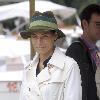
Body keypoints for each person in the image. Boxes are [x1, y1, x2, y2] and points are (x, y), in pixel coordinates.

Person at [19, 11, 82, 100]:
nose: (39, 42)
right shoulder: (27, 68)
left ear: (55, 36)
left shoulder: (69, 66)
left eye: (44, 36)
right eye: (34, 36)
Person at [66, 4, 100, 100]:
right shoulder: (75, 50)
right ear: (85, 24)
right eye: (98, 24)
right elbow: (74, 89)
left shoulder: (96, 50)